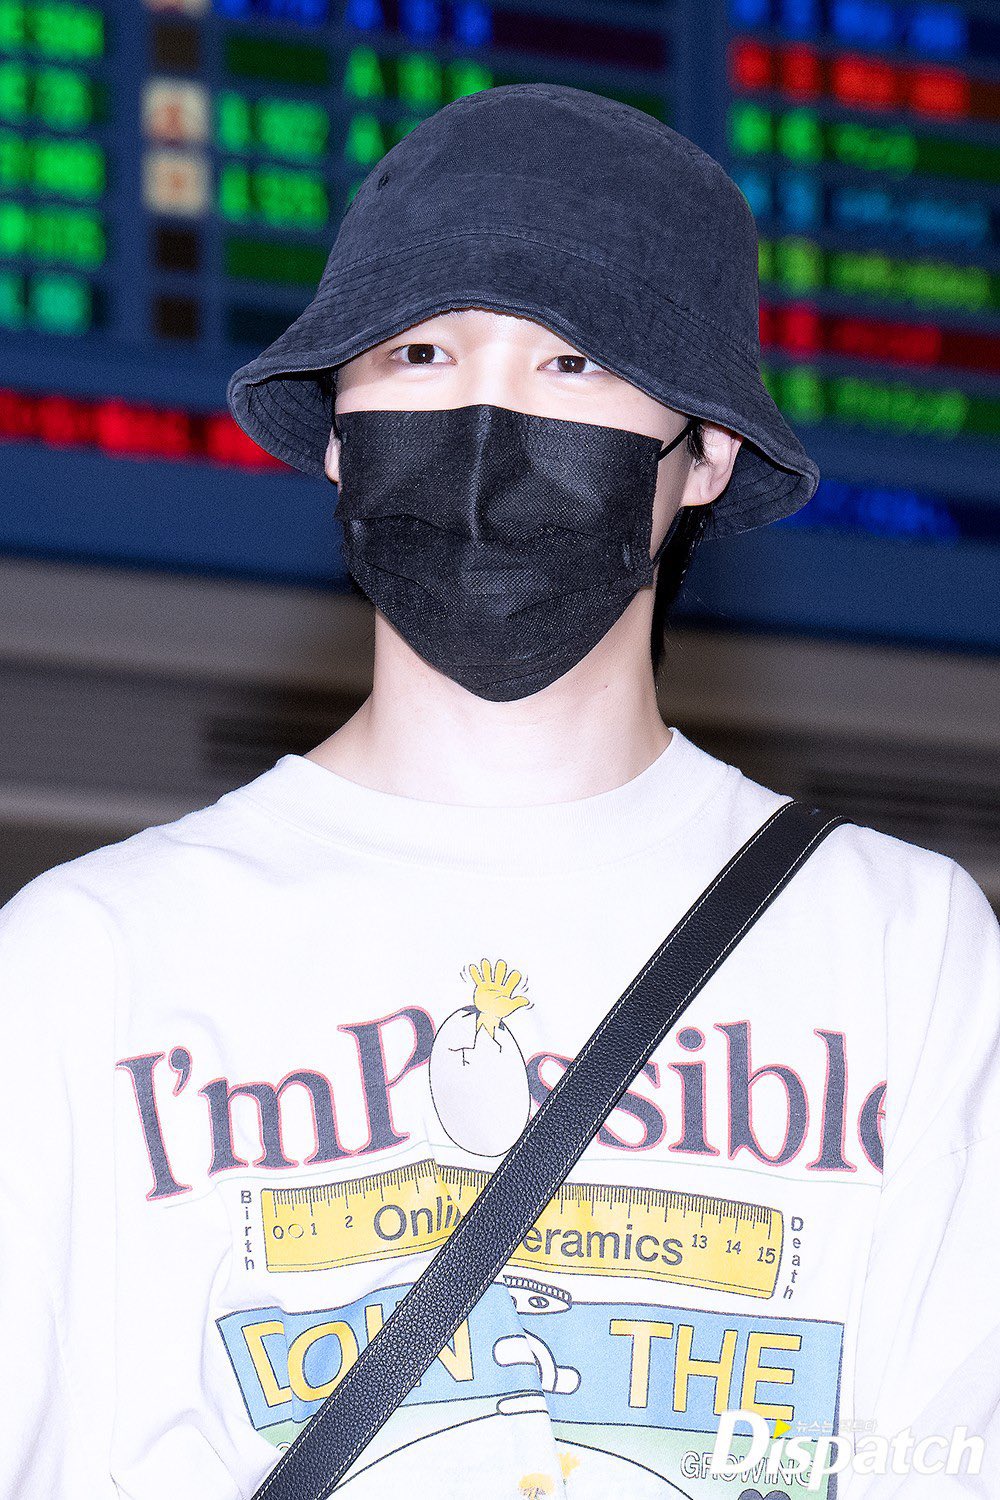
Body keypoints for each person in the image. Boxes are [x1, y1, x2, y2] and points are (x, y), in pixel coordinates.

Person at [1, 84, 997, 1500]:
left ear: (707, 453)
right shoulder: (86, 959)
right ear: (337, 433)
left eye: (572, 363)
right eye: (419, 352)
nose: (487, 420)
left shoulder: (905, 947)